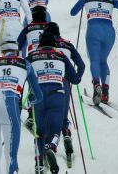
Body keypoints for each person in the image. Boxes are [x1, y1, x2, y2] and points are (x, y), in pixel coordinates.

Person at [0, 38, 42, 174]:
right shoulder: (26, 63)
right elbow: (39, 95)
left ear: (2, 51)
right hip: (10, 104)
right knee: (11, 155)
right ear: (16, 51)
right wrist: (30, 102)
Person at [27, 32, 80, 174]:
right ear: (54, 44)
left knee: (39, 132)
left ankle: (39, 162)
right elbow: (74, 78)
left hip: (38, 96)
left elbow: (22, 74)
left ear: (40, 44)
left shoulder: (32, 55)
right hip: (57, 94)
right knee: (56, 129)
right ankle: (51, 147)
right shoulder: (60, 55)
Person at [70, 0, 118, 105]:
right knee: (103, 61)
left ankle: (96, 84)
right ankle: (105, 92)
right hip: (109, 31)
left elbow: (72, 12)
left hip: (93, 30)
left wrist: (83, 5)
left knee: (95, 60)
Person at [43, 22, 85, 159]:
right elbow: (81, 65)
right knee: (63, 115)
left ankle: (48, 145)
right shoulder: (68, 44)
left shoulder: (45, 46)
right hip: (65, 82)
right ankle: (67, 137)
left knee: (49, 115)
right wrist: (76, 78)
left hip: (47, 81)